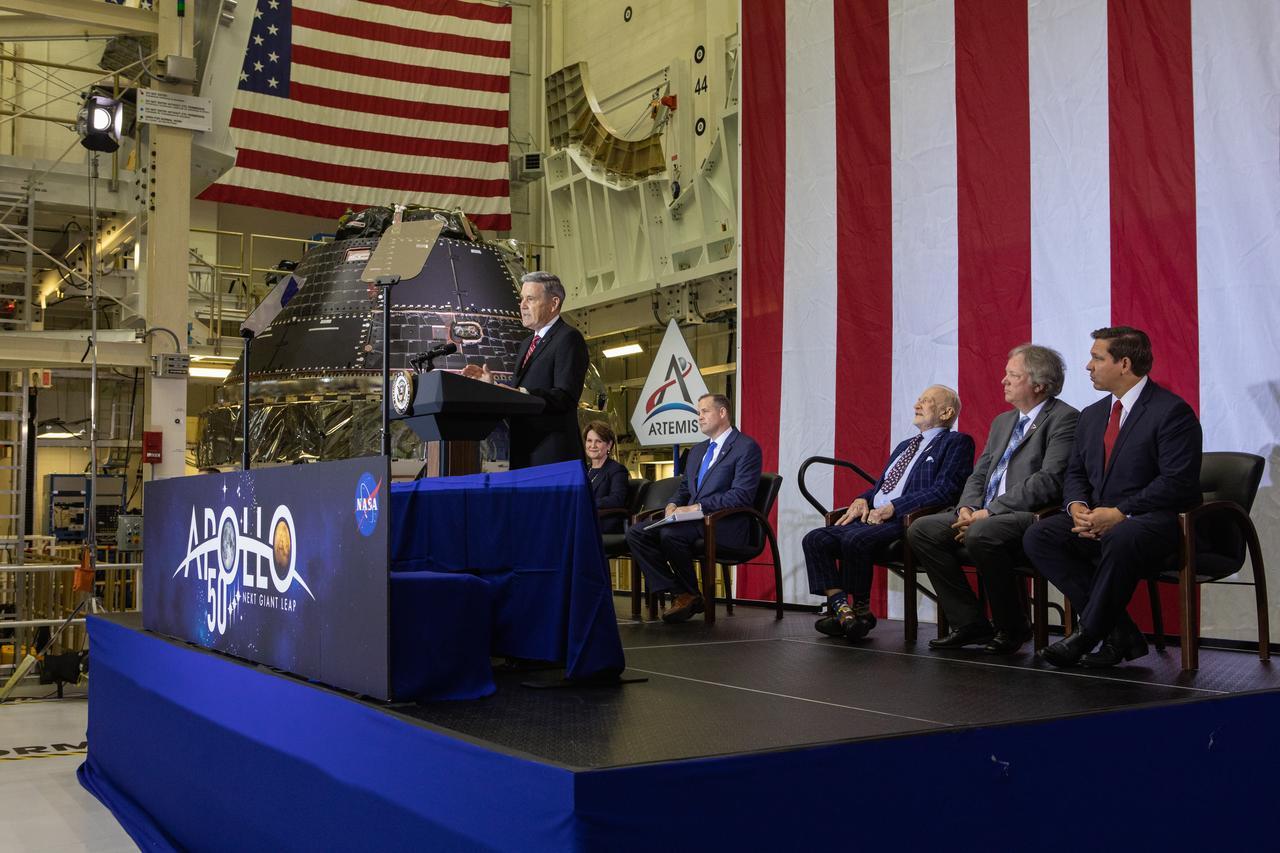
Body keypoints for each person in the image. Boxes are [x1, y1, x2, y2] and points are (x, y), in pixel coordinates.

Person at [1023, 326, 1202, 668]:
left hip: (1154, 524)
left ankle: (1087, 633)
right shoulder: (1092, 415)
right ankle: (1121, 632)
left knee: (1122, 536)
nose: (1088, 366)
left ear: (1123, 363)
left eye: (1096, 358)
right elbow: (1076, 472)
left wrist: (1120, 512)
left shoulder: (1171, 412)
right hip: (1100, 518)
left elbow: (1177, 482)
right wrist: (1077, 506)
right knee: (1040, 535)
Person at [907, 345, 1079, 654]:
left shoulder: (1065, 419)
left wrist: (990, 511)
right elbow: (980, 472)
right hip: (983, 512)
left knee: (981, 532)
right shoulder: (1002, 422)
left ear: (1038, 385)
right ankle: (970, 622)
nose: (1003, 381)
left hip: (1030, 515)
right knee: (923, 529)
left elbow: (1049, 481)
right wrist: (967, 507)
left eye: (1013, 375)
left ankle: (1012, 626)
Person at [802, 386, 974, 641]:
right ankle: (845, 612)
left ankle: (859, 611)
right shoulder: (906, 445)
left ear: (947, 412)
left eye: (925, 401)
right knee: (815, 539)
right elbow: (884, 486)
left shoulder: (956, 442)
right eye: (918, 400)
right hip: (874, 515)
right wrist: (863, 498)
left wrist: (895, 508)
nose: (917, 405)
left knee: (853, 540)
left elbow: (945, 490)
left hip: (907, 520)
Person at [625, 394, 762, 623]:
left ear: (722, 413)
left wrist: (698, 507)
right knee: (637, 532)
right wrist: (673, 504)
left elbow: (741, 495)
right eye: (698, 412)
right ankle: (683, 592)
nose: (699, 417)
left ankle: (687, 594)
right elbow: (685, 488)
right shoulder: (698, 451)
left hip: (724, 524)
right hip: (695, 522)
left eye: (704, 411)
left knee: (670, 535)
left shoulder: (746, 448)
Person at [462, 271, 589, 469]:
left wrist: (522, 393)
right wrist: (493, 387)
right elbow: (518, 394)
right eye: (522, 299)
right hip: (524, 452)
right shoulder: (527, 344)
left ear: (554, 303)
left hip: (552, 457)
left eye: (530, 299)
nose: (522, 305)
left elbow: (565, 397)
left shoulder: (569, 338)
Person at [584, 420, 629, 534]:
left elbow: (617, 499)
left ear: (609, 445)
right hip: (584, 518)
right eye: (589, 441)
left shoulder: (617, 470)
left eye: (598, 441)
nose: (592, 445)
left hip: (603, 522)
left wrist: (588, 502)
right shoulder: (584, 470)